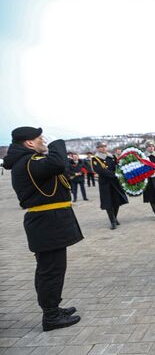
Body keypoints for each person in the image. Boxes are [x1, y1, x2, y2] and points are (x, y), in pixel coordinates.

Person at [3, 127, 83, 331]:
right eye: (40, 138)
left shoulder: (30, 161)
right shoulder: (30, 162)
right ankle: (51, 316)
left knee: (51, 268)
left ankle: (53, 308)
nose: (43, 140)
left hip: (48, 222)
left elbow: (60, 170)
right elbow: (57, 163)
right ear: (29, 143)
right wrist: (58, 143)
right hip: (47, 223)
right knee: (51, 270)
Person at [92, 141, 128, 229]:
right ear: (98, 148)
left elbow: (117, 166)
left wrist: (121, 171)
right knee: (108, 203)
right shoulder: (95, 159)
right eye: (101, 147)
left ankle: (114, 217)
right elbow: (100, 170)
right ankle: (112, 221)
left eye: (104, 146)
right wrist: (113, 174)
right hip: (105, 183)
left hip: (115, 182)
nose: (103, 148)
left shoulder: (111, 157)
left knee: (117, 201)